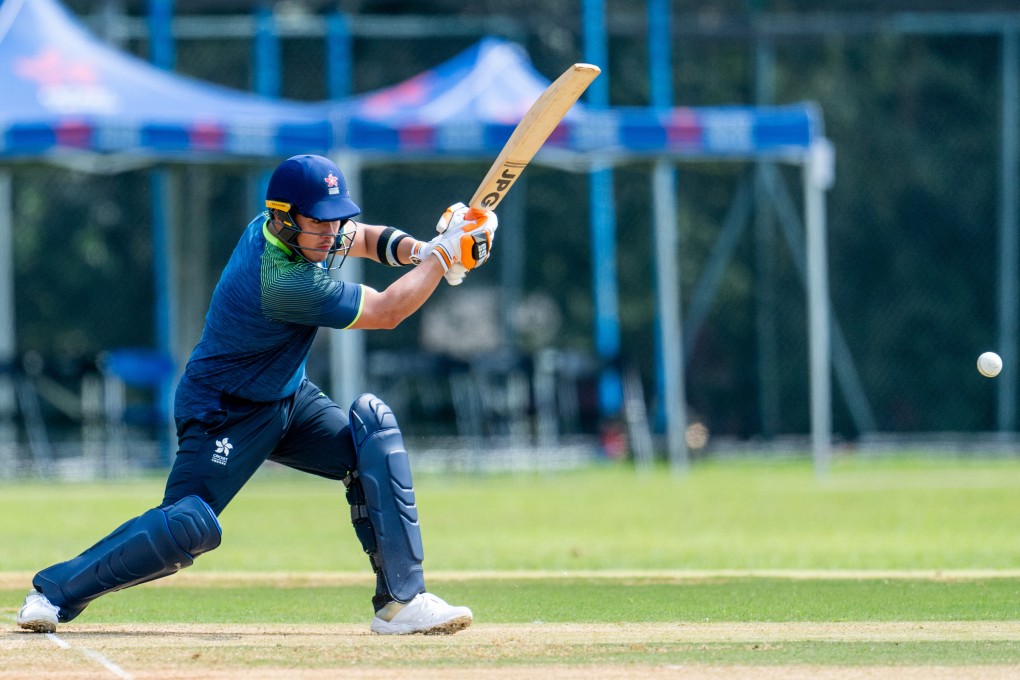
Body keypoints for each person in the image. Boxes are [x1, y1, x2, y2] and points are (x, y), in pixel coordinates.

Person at [17, 154, 497, 636]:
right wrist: (443, 258)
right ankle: (53, 593)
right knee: (188, 525)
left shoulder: (304, 233)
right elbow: (389, 310)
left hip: (288, 398)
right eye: (319, 222)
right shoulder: (283, 280)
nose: (331, 233)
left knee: (372, 441)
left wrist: (426, 249)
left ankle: (402, 602)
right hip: (225, 410)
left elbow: (368, 238)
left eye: (335, 220)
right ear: (284, 219)